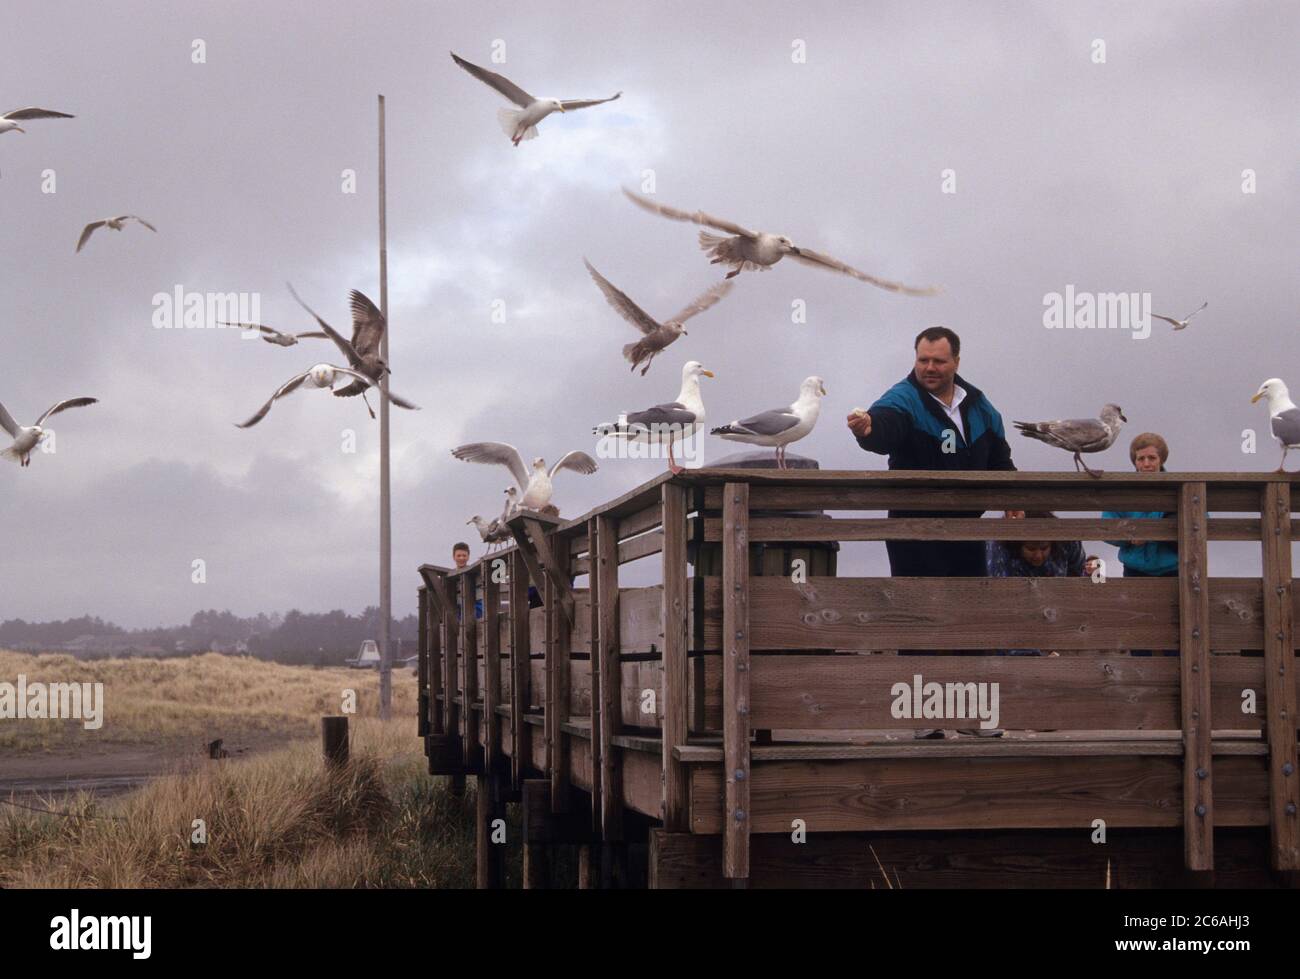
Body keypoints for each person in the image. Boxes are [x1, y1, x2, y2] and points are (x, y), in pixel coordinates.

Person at [846, 326, 1016, 577]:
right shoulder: (904, 398)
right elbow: (885, 424)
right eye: (923, 360)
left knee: (969, 608)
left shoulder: (980, 405)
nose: (929, 368)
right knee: (917, 611)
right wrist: (868, 429)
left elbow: (999, 459)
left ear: (956, 362)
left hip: (967, 530)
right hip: (913, 530)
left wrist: (1013, 498)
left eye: (939, 361)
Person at [1102, 433, 1177, 656]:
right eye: (1140, 459)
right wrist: (1128, 537)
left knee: (1173, 632)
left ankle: (1177, 686)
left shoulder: (1178, 486)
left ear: (1161, 460)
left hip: (1172, 570)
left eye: (1151, 458)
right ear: (1134, 462)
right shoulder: (1122, 490)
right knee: (1139, 631)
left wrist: (1155, 534)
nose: (1146, 464)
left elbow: (1202, 521)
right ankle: (1141, 685)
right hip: (1135, 570)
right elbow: (1107, 527)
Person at [986, 511, 1084, 656]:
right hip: (1012, 609)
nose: (1038, 555)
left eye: (1044, 548)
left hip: (1053, 604)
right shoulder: (1000, 548)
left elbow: (1076, 573)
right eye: (1031, 549)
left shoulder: (1067, 542)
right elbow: (1002, 600)